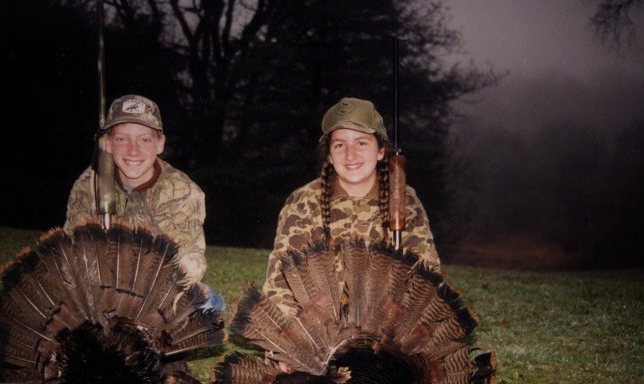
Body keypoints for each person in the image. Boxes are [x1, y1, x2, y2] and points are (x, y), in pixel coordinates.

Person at [263, 96, 440, 315]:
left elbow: (427, 279)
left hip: (387, 327)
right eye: (339, 145)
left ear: (381, 150)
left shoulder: (405, 201)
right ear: (329, 155)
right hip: (317, 327)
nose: (350, 154)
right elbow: (279, 285)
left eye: (361, 143)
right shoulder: (303, 202)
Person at [64, 94, 224, 310]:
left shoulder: (182, 190)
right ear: (107, 143)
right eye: (122, 139)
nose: (133, 150)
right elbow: (72, 251)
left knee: (206, 304)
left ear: (160, 143)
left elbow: (187, 261)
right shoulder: (88, 185)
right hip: (99, 291)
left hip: (155, 294)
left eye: (145, 140)